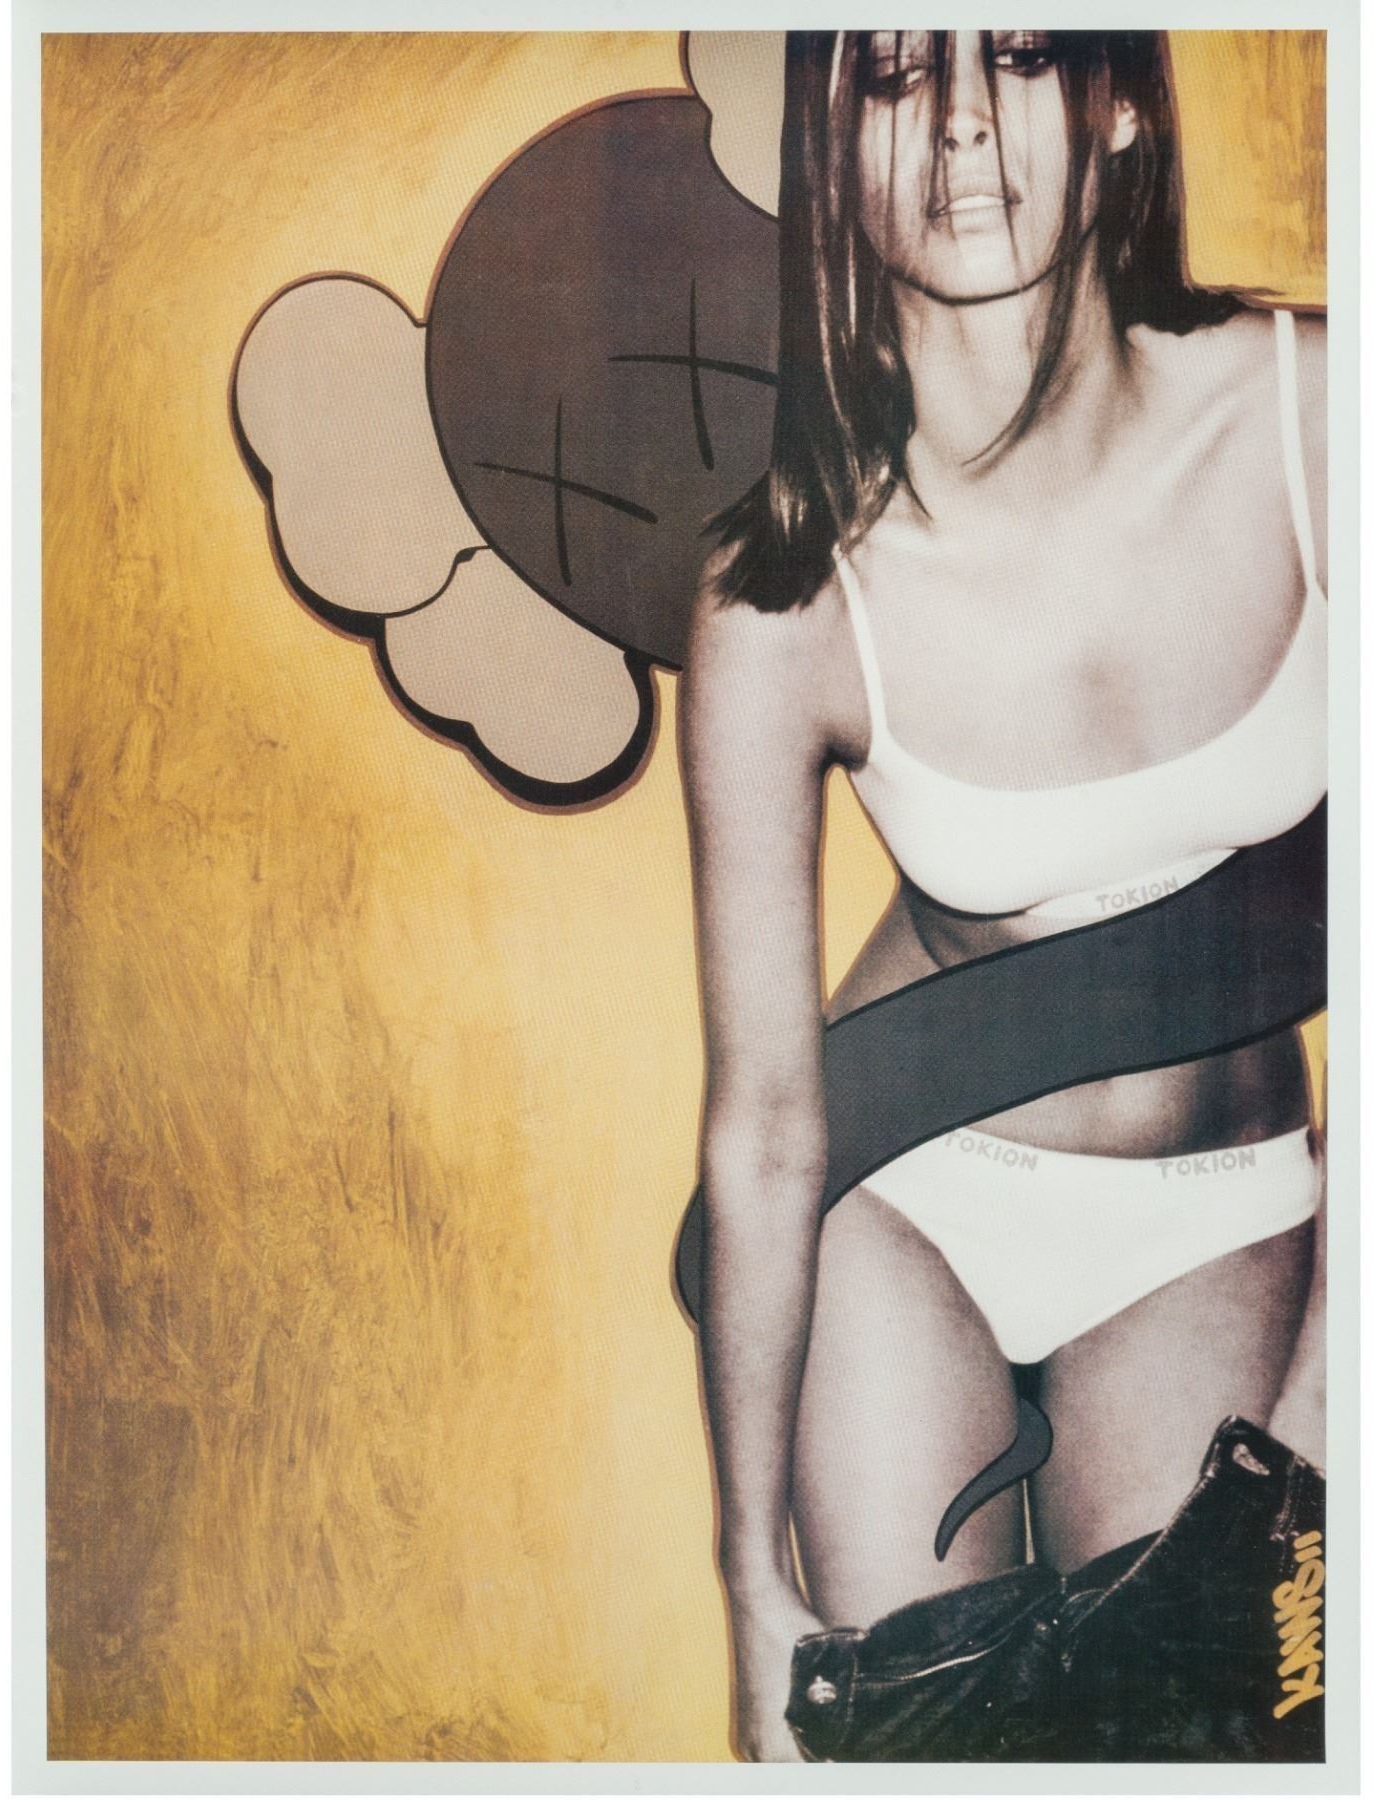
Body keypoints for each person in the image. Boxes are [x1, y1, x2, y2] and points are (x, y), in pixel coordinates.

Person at [680, 30, 1326, 1763]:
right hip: (901, 1216)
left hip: (1217, 1217)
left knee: (1218, 1748)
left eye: (1023, 55)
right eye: (895, 76)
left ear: (1114, 102)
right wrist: (748, 1585)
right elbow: (765, 1130)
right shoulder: (782, 594)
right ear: (832, 146)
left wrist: (1330, 1391)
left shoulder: (1314, 422)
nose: (960, 123)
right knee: (923, 1759)